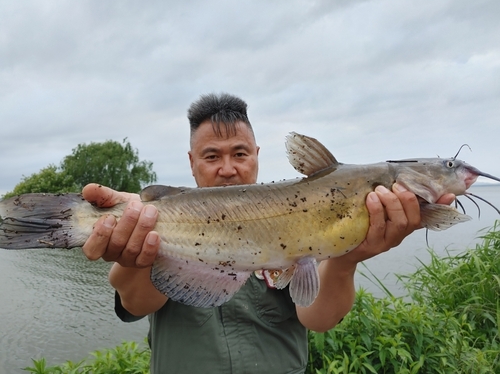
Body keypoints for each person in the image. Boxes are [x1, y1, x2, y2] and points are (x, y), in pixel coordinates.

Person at [81, 93, 454, 373]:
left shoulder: (308, 222)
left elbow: (318, 319)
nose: (227, 168)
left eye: (239, 154)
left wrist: (347, 258)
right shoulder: (158, 219)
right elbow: (135, 302)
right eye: (212, 156)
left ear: (257, 155)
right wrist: (135, 251)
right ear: (192, 163)